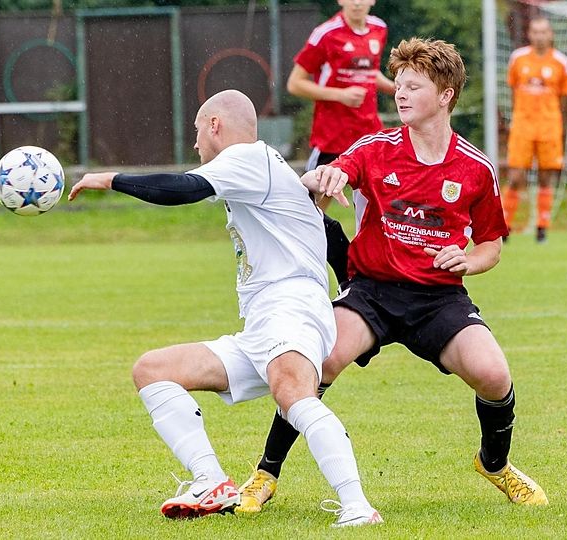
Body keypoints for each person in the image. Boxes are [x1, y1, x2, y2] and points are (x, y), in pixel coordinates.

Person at [237, 38, 548, 514]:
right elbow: (340, 169)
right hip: (372, 293)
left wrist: (468, 260)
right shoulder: (375, 148)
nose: (400, 94)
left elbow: (491, 245)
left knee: (493, 374)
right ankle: (265, 473)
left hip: (439, 298)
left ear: (445, 95)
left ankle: (495, 464)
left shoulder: (475, 167)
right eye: (398, 85)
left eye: (413, 86)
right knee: (317, 364)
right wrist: (328, 177)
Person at [67, 89, 383, 528]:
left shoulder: (247, 158)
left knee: (293, 393)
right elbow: (325, 228)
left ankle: (357, 506)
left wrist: (109, 179)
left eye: (198, 131)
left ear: (215, 125)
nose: (196, 144)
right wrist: (350, 288)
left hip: (290, 306)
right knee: (152, 370)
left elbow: (183, 188)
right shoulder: (266, 167)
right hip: (264, 323)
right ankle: (211, 482)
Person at [286, 0, 396, 282]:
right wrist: (340, 95)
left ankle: (370, 277)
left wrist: (398, 88)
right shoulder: (326, 33)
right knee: (309, 211)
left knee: (380, 211)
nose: (357, 2)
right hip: (332, 139)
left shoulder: (379, 28)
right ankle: (300, 271)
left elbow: (370, 73)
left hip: (369, 138)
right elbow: (295, 83)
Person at [501, 16, 567, 243]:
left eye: (543, 32)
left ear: (550, 34)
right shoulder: (518, 58)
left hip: (549, 126)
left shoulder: (561, 62)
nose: (539, 36)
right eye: (535, 31)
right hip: (523, 125)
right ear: (530, 34)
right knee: (515, 177)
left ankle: (542, 228)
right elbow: (513, 91)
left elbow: (564, 99)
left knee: (545, 177)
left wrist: (558, 125)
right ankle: (504, 226)